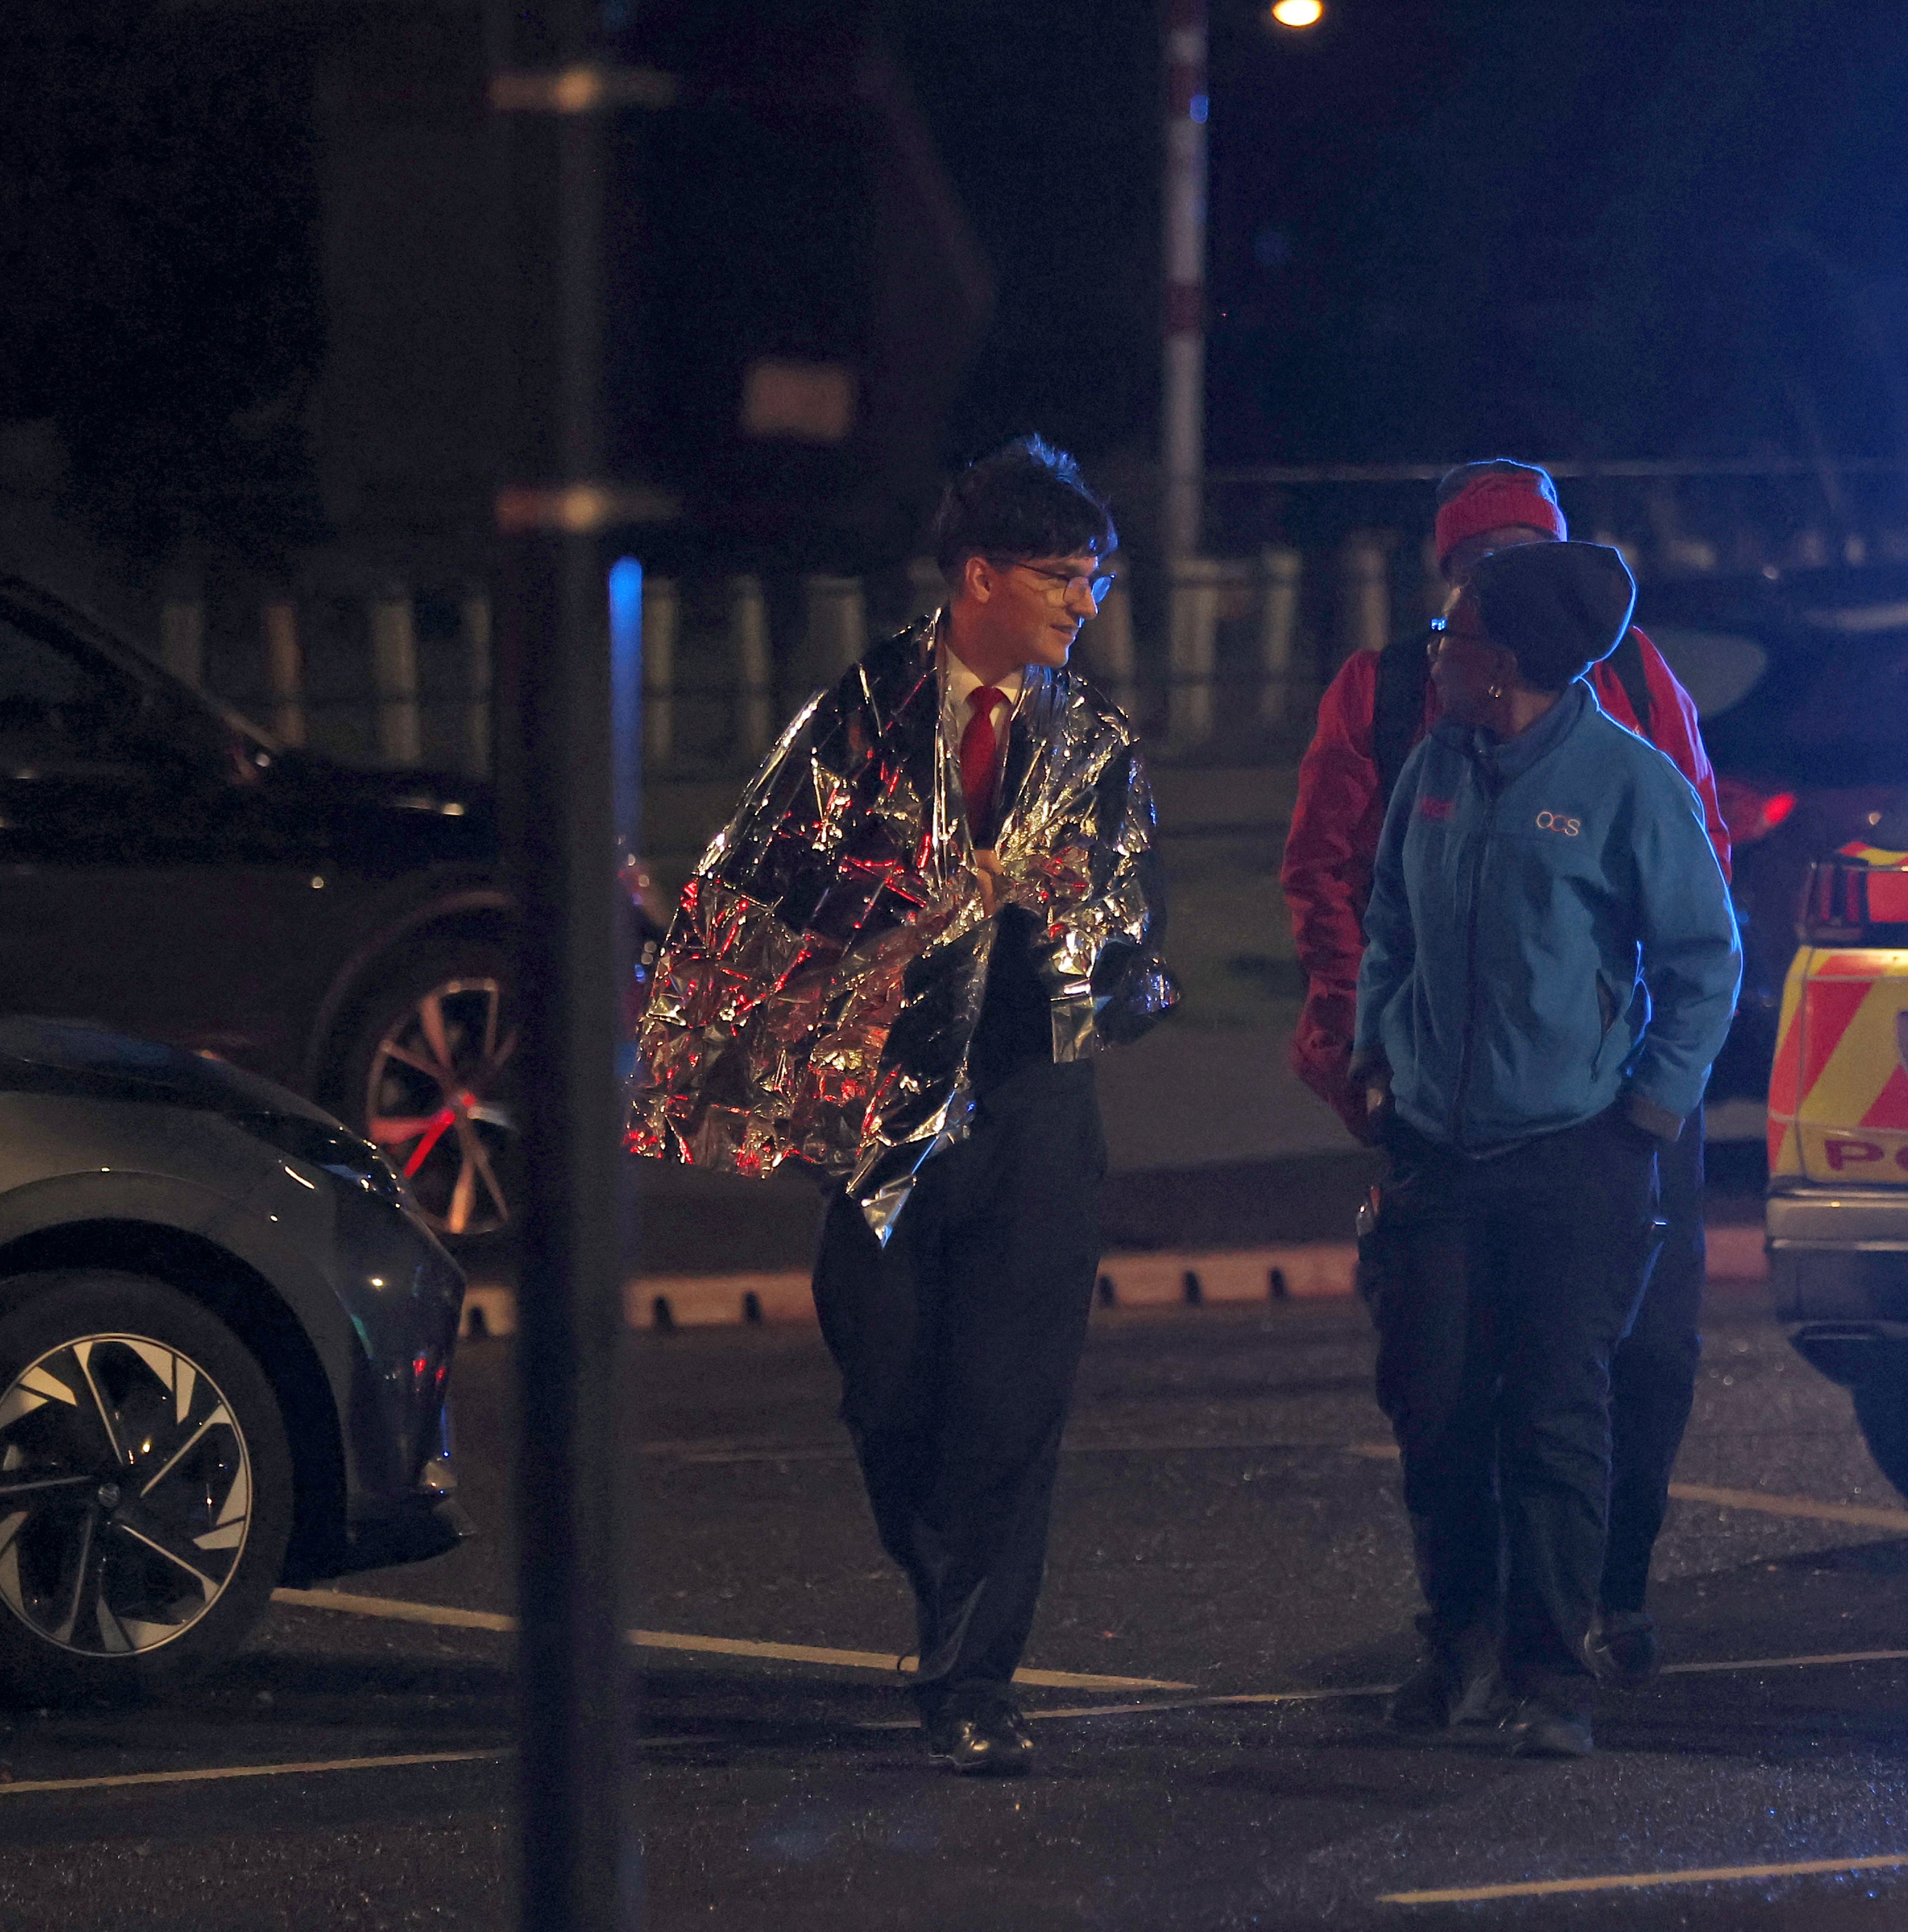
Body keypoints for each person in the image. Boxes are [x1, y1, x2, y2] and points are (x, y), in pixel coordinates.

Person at [629, 438, 1176, 1761]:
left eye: (1096, 577)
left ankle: (976, 1677)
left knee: (1013, 1402)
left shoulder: (1092, 740)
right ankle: (946, 1597)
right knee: (887, 1382)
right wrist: (907, 910)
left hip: (1037, 1102)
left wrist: (1069, 933)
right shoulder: (861, 716)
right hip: (885, 1112)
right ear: (980, 575)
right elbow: (771, 888)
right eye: (1062, 575)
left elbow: (1130, 934)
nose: (1087, 602)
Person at [1283, 461, 1730, 1687]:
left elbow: (1695, 897)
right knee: (1439, 1383)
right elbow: (1346, 887)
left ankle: (1599, 1604)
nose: (1498, 586)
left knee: (1627, 1365)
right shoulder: (1401, 710)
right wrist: (1371, 1053)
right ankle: (1473, 1631)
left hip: (1602, 1109)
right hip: (1439, 1114)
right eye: (1481, 565)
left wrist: (1651, 1100)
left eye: (1528, 557)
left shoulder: (1631, 697)